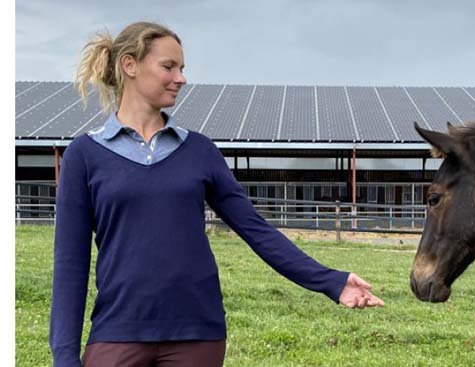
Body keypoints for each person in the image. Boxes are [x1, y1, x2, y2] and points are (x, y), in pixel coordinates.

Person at [50, 21, 384, 367]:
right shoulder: (84, 155)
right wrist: (64, 356)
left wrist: (331, 282)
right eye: (169, 66)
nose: (180, 78)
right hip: (117, 333)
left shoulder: (199, 151)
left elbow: (256, 230)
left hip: (198, 336)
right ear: (129, 65)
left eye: (181, 68)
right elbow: (70, 264)